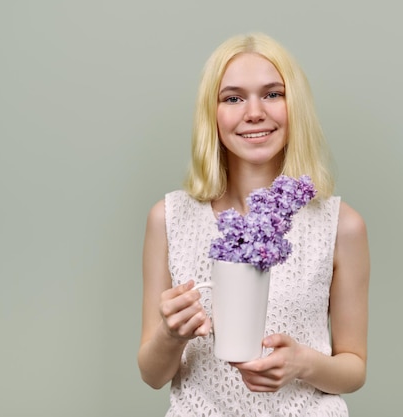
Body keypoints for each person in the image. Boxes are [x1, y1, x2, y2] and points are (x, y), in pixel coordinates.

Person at [137, 32, 370, 416]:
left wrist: (303, 364)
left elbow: (354, 367)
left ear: (294, 105)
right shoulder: (168, 219)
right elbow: (152, 374)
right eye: (233, 98)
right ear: (211, 113)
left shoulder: (342, 226)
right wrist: (170, 333)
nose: (254, 112)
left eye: (273, 94)